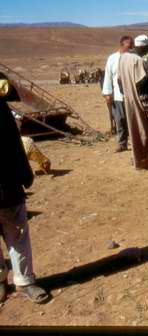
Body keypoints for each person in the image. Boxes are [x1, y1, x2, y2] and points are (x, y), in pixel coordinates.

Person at [0, 78, 50, 304]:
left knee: (17, 229)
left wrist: (24, 172)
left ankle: (25, 281)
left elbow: (12, 143)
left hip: (7, 179)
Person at [117, 34, 148, 170]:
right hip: (139, 102)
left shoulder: (122, 58)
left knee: (132, 130)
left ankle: (136, 159)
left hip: (128, 99)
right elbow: (143, 86)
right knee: (142, 131)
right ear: (144, 47)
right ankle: (143, 161)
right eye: (147, 47)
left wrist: (127, 94)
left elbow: (119, 81)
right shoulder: (138, 60)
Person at [102, 36, 133, 152]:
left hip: (131, 95)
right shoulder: (112, 58)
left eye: (132, 46)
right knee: (120, 120)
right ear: (121, 45)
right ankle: (122, 143)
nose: (130, 48)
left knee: (132, 120)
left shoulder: (133, 58)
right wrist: (107, 93)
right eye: (128, 46)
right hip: (118, 96)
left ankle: (134, 143)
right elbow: (108, 76)